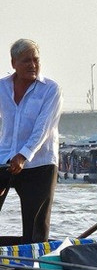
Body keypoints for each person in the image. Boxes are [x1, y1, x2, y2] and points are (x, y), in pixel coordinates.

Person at [0, 39, 63, 245]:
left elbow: (43, 129)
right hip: (5, 157)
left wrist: (23, 155)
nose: (32, 65)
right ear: (13, 63)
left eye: (35, 60)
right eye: (26, 60)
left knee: (35, 224)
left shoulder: (50, 89)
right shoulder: (2, 87)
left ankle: (34, 267)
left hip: (39, 163)